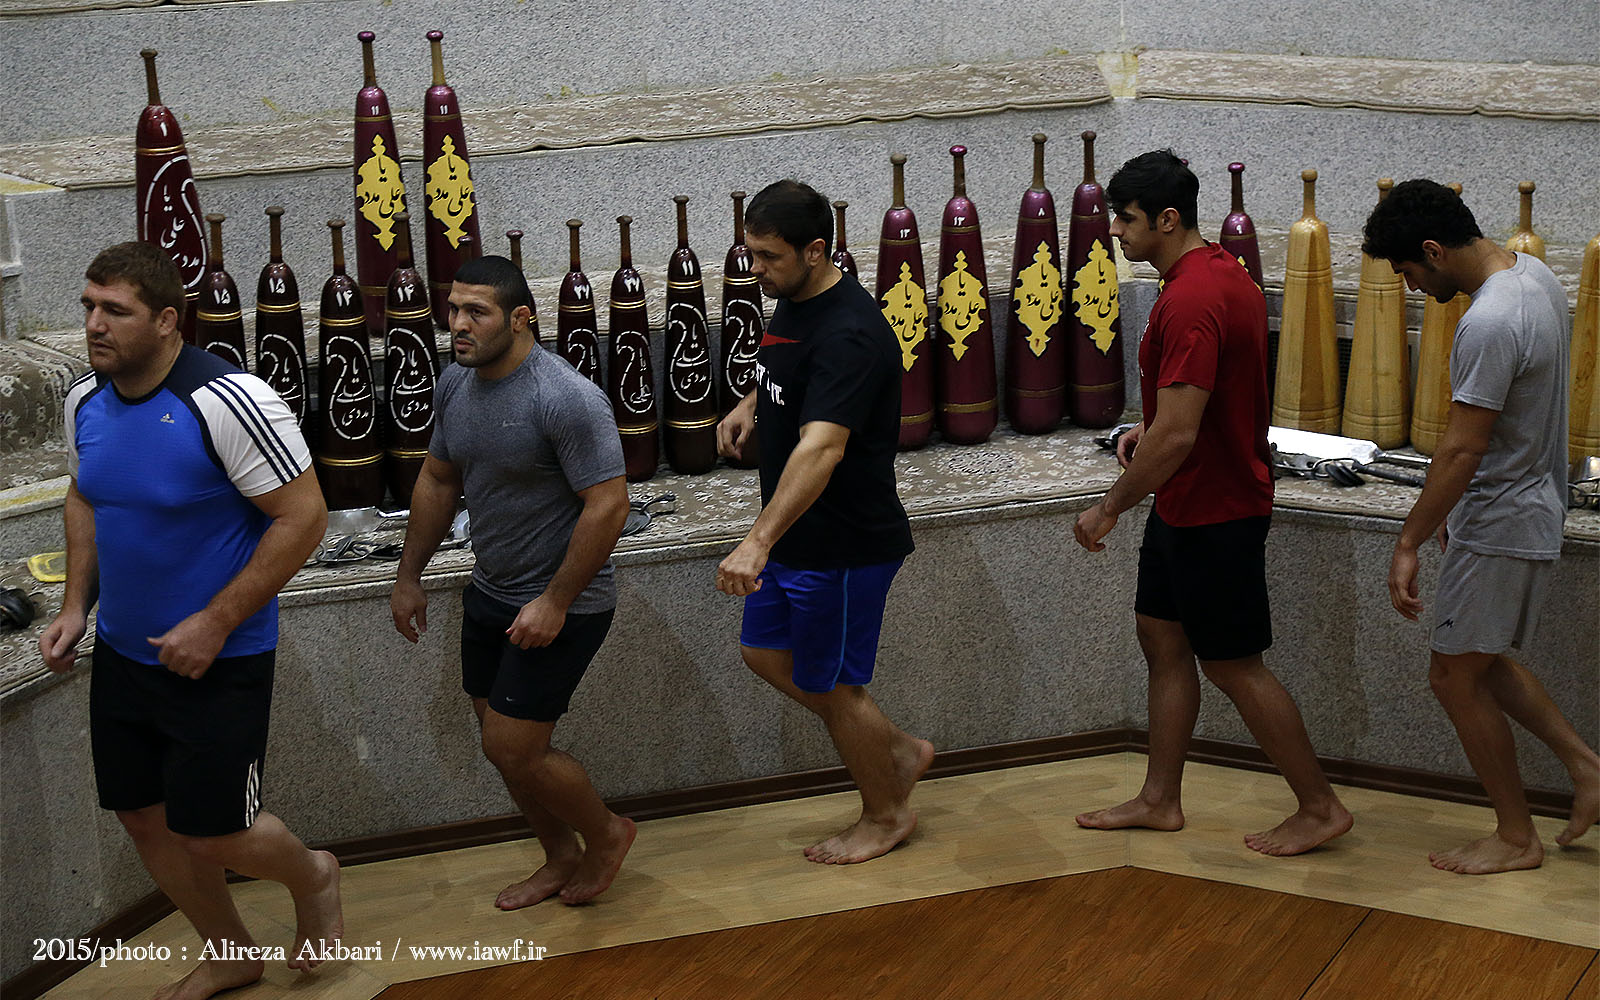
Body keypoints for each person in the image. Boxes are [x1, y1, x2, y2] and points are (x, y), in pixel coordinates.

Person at [38, 242, 341, 1000]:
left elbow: (304, 517)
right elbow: (86, 495)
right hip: (123, 654)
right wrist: (76, 605)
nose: (94, 324)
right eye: (88, 307)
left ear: (168, 320)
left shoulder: (229, 400)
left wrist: (214, 622)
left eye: (116, 310)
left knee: (217, 832)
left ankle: (314, 875)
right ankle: (230, 952)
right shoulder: (84, 400)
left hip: (221, 655)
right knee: (143, 816)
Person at [1072, 151, 1353, 856]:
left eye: (1126, 219)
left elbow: (1179, 434)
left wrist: (1109, 507)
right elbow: (1189, 410)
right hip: (1187, 502)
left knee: (1233, 665)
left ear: (1168, 219)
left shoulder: (1193, 298)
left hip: (1217, 510)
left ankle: (1320, 807)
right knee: (1161, 637)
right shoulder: (1222, 272)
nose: (1115, 231)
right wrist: (1151, 430)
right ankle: (1159, 799)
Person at [1363, 180, 1599, 873]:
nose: (1410, 287)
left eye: (1408, 271)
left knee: (1452, 675)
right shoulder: (1534, 276)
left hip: (1503, 520)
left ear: (1433, 250)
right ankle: (1587, 767)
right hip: (1517, 507)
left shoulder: (1490, 320)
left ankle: (1516, 837)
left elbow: (1464, 447)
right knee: (1478, 659)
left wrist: (1408, 539)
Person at [389, 256, 634, 907]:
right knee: (503, 748)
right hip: (490, 592)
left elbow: (609, 505)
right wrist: (409, 575)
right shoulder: (455, 384)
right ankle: (559, 854)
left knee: (513, 745)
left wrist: (554, 601)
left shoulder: (565, 397)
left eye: (477, 312)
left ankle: (606, 834)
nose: (458, 324)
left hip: (565, 603)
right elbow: (439, 478)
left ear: (521, 318)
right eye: (453, 309)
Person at [716, 179, 932, 865]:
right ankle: (896, 749)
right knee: (763, 653)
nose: (755, 270)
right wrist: (753, 401)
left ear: (816, 250)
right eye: (751, 253)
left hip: (842, 544)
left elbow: (824, 448)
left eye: (768, 257)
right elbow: (788, 365)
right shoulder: (795, 298)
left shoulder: (852, 333)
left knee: (834, 688)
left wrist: (756, 542)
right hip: (799, 535)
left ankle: (887, 814)